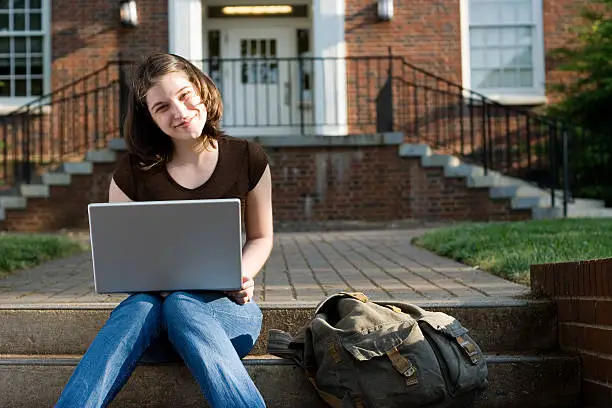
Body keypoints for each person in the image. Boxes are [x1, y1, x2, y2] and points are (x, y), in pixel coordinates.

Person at [55, 52, 273, 408]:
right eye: (162, 107)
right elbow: (120, 260)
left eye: (185, 95)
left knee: (182, 304)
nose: (180, 112)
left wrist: (242, 274)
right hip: (148, 334)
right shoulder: (131, 175)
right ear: (150, 119)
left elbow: (261, 237)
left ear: (201, 89)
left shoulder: (247, 158)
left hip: (225, 320)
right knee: (143, 305)